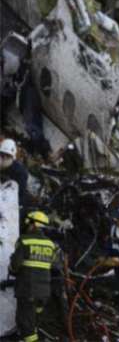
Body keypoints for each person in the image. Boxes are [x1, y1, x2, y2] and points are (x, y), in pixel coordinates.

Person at [9, 211, 60, 342]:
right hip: (43, 293)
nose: (27, 226)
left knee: (27, 326)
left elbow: (15, 266)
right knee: (33, 321)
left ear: (33, 225)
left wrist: (11, 268)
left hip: (27, 291)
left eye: (29, 223)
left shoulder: (25, 240)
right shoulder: (50, 244)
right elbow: (56, 266)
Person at [0, 138, 29, 209]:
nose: (3, 158)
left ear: (12, 157)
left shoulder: (20, 172)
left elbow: (19, 196)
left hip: (12, 204)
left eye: (7, 156)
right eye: (1, 155)